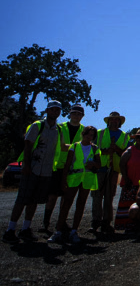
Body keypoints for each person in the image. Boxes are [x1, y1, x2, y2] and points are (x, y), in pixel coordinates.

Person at [3, 101, 63, 244]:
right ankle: (10, 230)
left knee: (34, 200)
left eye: (57, 110)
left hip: (46, 170)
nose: (55, 112)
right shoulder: (37, 125)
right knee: (22, 199)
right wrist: (26, 165)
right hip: (32, 168)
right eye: (52, 109)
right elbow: (28, 145)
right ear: (47, 110)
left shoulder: (58, 130)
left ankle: (26, 228)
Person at [48, 126, 101, 244]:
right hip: (74, 177)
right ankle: (58, 231)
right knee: (66, 203)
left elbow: (99, 164)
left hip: (87, 178)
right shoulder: (75, 146)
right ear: (83, 134)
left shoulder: (95, 148)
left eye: (92, 135)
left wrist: (93, 163)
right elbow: (67, 164)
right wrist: (63, 181)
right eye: (87, 134)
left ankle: (74, 231)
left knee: (81, 204)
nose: (89, 137)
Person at [40, 103, 85, 234]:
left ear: (82, 116)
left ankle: (62, 222)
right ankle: (46, 223)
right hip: (58, 165)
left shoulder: (84, 130)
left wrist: (68, 146)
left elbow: (68, 146)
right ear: (70, 114)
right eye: (74, 113)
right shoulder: (60, 127)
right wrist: (75, 147)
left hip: (73, 167)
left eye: (79, 114)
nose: (76, 116)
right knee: (52, 195)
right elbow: (60, 146)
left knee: (66, 197)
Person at [91, 111, 129, 234]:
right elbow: (93, 149)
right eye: (112, 119)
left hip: (114, 169)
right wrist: (105, 151)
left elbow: (125, 153)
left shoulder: (125, 136)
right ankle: (95, 221)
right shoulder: (99, 133)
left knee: (109, 196)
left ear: (119, 122)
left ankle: (106, 222)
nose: (114, 121)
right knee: (97, 196)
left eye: (116, 119)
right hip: (100, 167)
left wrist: (116, 149)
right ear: (108, 121)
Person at [115, 129, 140, 232]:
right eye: (139, 137)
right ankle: (127, 226)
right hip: (131, 183)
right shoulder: (130, 150)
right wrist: (126, 178)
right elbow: (122, 164)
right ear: (135, 139)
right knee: (128, 205)